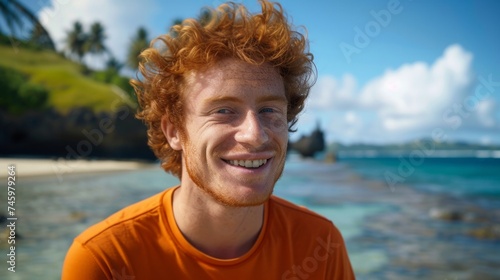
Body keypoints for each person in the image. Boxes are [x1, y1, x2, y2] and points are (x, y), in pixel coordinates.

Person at [62, 1, 355, 279]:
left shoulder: (321, 246)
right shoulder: (105, 259)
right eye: (224, 111)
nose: (255, 135)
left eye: (269, 110)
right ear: (174, 131)